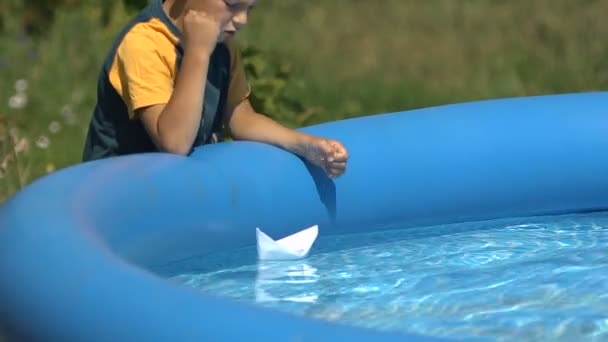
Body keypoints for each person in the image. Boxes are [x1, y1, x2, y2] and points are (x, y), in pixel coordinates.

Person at [82, 0, 348, 178]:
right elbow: (175, 143)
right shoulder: (143, 45)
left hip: (170, 188)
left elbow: (240, 118)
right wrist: (198, 52)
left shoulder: (222, 46)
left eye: (249, 7)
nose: (242, 19)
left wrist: (304, 145)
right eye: (232, 4)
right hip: (117, 192)